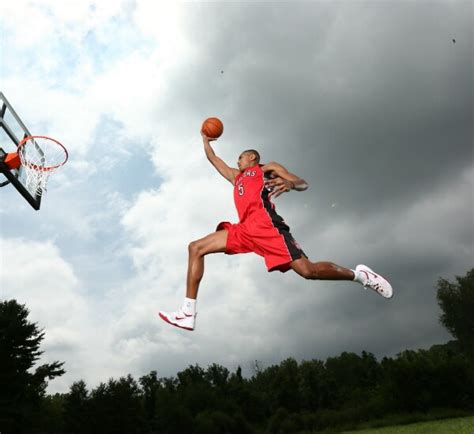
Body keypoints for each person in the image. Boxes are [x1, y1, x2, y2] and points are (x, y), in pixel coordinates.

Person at [159, 132, 393, 331]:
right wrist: (205, 140)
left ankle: (361, 275)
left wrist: (290, 184)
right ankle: (188, 312)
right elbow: (213, 159)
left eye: (240, 157)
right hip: (244, 229)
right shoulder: (236, 177)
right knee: (196, 247)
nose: (237, 161)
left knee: (307, 271)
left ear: (252, 157)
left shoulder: (267, 168)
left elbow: (302, 183)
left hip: (267, 227)